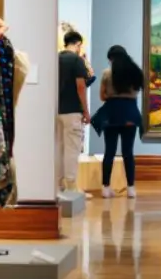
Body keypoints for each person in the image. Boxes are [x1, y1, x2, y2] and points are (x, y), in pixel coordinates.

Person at [95, 45, 146, 198]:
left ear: (111, 59)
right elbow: (137, 93)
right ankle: (131, 188)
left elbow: (102, 96)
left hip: (111, 114)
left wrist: (113, 96)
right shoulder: (136, 72)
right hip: (130, 113)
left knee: (109, 152)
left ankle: (106, 188)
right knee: (128, 152)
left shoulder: (107, 73)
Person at [56, 31, 92, 197]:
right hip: (72, 111)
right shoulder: (77, 60)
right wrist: (86, 110)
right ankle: (71, 187)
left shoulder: (56, 58)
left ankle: (58, 185)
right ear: (78, 44)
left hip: (56, 110)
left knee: (58, 148)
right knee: (72, 149)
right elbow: (81, 86)